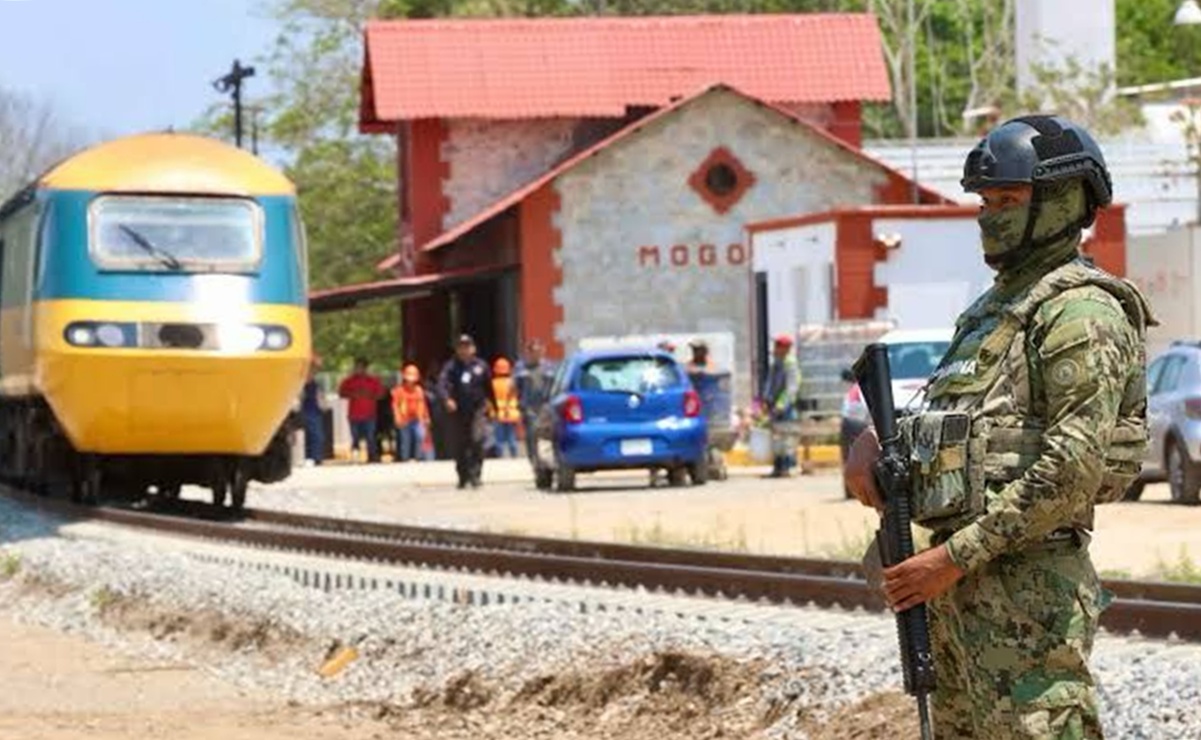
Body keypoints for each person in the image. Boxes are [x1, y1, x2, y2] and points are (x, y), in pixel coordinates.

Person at [844, 115, 1153, 739]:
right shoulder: (990, 312)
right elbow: (963, 422)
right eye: (985, 201)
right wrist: (874, 442)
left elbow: (1071, 470)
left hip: (1025, 596)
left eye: (1008, 200)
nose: (989, 215)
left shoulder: (1080, 312)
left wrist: (952, 559)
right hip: (955, 600)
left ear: (1062, 203)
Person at [437, 335, 495, 488]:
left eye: (467, 346)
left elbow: (489, 388)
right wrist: (447, 399)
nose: (464, 350)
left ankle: (476, 475)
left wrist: (493, 405)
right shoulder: (451, 367)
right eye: (461, 347)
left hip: (478, 409)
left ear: (473, 348)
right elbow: (442, 385)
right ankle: (463, 476)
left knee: (477, 440)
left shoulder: (481, 366)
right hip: (458, 411)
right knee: (460, 444)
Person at [762, 334, 801, 478]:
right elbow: (769, 384)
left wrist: (781, 404)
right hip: (774, 406)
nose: (775, 348)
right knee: (776, 438)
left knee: (786, 438)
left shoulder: (790, 364)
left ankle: (786, 467)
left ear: (786, 348)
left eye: (778, 346)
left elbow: (792, 388)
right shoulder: (776, 363)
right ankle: (778, 467)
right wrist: (766, 400)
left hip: (786, 408)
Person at [513, 339, 558, 463]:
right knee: (532, 435)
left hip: (546, 407)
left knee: (548, 435)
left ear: (542, 351)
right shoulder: (520, 368)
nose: (536, 354)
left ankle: (549, 459)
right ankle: (534, 459)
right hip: (529, 408)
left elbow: (556, 385)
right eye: (532, 351)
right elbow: (515, 387)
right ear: (528, 352)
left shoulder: (550, 367)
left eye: (538, 351)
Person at [338, 357, 385, 463]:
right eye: (356, 367)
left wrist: (370, 395)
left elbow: (381, 394)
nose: (357, 369)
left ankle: (372, 457)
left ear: (365, 368)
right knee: (355, 437)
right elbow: (341, 393)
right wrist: (352, 394)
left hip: (369, 414)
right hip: (354, 415)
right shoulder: (349, 381)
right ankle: (355, 457)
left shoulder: (373, 381)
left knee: (370, 437)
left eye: (360, 367)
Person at [391, 364, 431, 462]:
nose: (410, 381)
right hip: (404, 420)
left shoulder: (419, 390)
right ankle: (405, 459)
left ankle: (418, 457)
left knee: (420, 436)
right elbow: (395, 405)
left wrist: (426, 417)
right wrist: (397, 417)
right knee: (405, 440)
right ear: (405, 378)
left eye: (413, 379)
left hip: (417, 419)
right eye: (409, 379)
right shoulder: (399, 391)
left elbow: (423, 404)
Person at [490, 357, 521, 458]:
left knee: (498, 438)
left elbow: (489, 400)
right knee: (511, 437)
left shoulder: (492, 383)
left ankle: (500, 457)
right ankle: (514, 456)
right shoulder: (512, 383)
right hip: (511, 413)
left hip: (498, 413)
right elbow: (518, 397)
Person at [300, 355, 326, 466]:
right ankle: (309, 457)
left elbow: (320, 398)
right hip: (305, 411)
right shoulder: (301, 383)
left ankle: (316, 457)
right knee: (310, 436)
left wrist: (323, 406)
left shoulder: (315, 384)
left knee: (317, 436)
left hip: (315, 412)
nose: (314, 372)